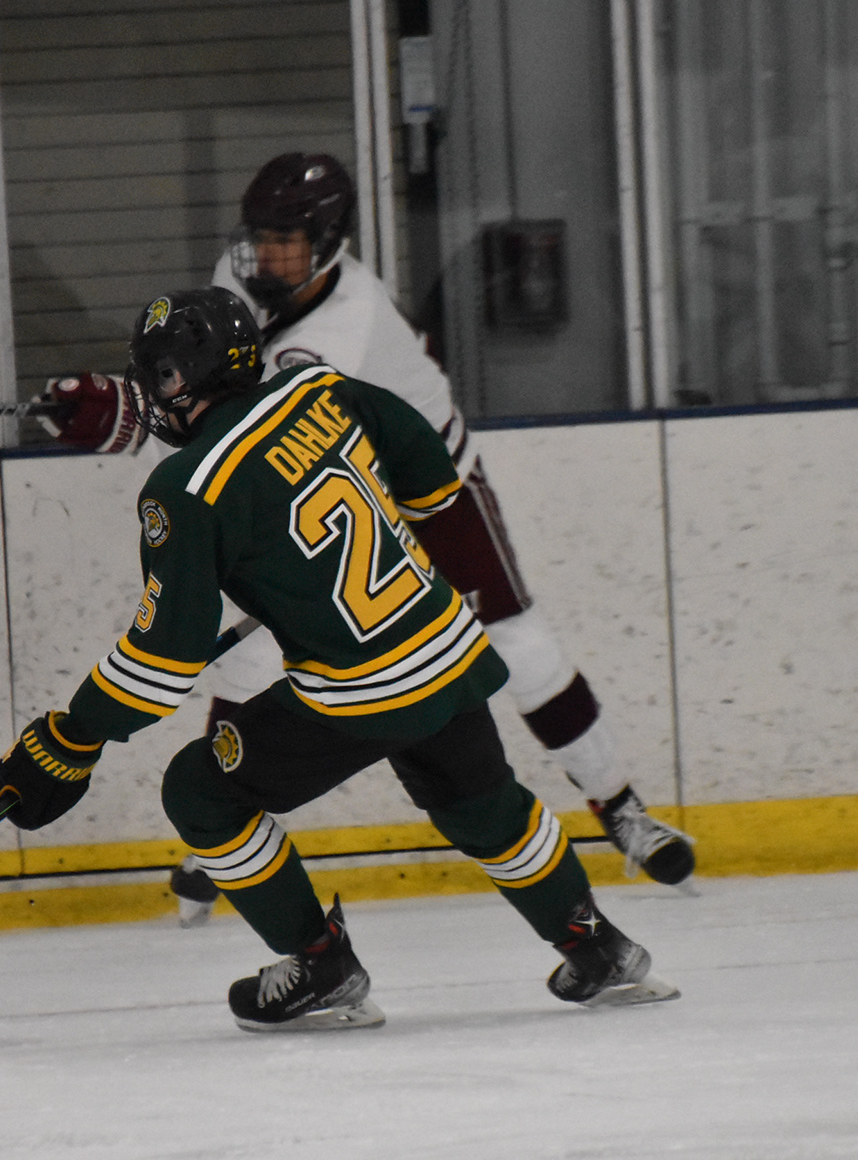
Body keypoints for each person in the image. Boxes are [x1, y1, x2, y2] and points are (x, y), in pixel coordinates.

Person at [0, 287, 676, 1030]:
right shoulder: (319, 388)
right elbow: (429, 473)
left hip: (363, 689)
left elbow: (164, 660)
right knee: (483, 803)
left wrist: (73, 737)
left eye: (161, 374)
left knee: (199, 790)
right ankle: (597, 946)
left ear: (187, 378)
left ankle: (320, 963)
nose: (156, 393)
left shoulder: (185, 488)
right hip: (445, 644)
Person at [41, 153, 695, 925]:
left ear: (329, 243)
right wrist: (129, 400)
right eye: (258, 236)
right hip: (329, 485)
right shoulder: (234, 285)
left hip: (429, 486)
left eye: (285, 240)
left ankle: (620, 806)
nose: (264, 255)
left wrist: (122, 418)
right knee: (251, 654)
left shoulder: (348, 324)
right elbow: (215, 405)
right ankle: (225, 834)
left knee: (519, 645)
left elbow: (246, 445)